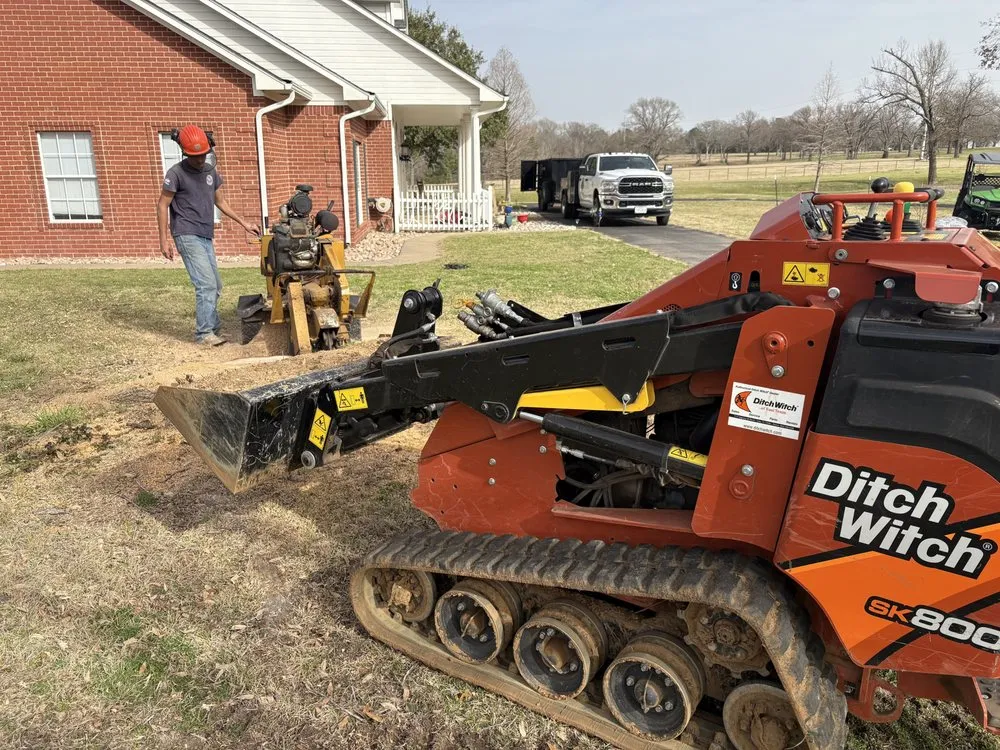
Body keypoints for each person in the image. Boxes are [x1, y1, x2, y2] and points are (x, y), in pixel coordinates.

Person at [157, 125, 260, 346]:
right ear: (184, 152)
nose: (200, 159)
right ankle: (204, 334)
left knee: (216, 285)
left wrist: (244, 223)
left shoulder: (210, 172)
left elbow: (220, 202)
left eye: (203, 154)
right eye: (195, 156)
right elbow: (163, 204)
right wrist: (163, 240)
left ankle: (213, 329)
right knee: (206, 285)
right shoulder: (175, 173)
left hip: (205, 233)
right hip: (186, 233)